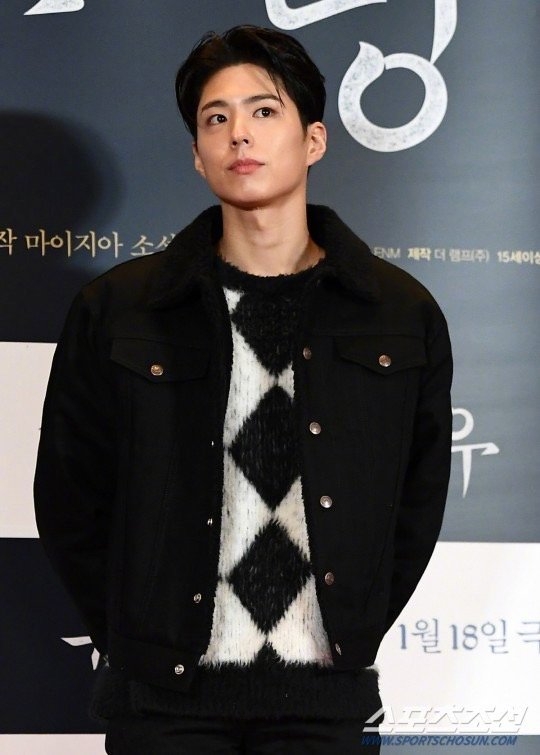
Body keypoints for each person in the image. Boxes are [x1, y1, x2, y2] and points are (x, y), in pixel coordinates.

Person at [34, 25, 453, 754]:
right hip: (162, 704)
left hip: (322, 703)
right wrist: (139, 635)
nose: (238, 135)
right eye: (215, 119)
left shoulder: (397, 311)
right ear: (197, 155)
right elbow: (71, 498)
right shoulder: (120, 309)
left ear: (314, 140)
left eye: (264, 111)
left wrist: (350, 626)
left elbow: (415, 503)